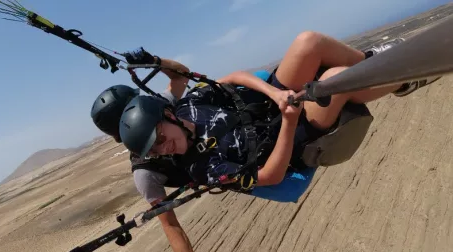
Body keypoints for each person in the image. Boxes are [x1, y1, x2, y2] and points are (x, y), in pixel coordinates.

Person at [118, 31, 440, 201]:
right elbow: (269, 177)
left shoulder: (189, 104)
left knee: (308, 41)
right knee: (334, 81)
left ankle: (377, 60)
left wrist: (272, 92)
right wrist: (287, 121)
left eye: (159, 137)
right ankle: (405, 76)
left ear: (168, 116)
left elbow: (230, 78)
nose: (163, 148)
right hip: (291, 134)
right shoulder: (204, 168)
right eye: (155, 150)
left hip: (272, 97)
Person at [90, 53, 204, 252]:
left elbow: (180, 74)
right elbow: (170, 223)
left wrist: (155, 61)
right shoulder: (146, 173)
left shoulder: (159, 109)